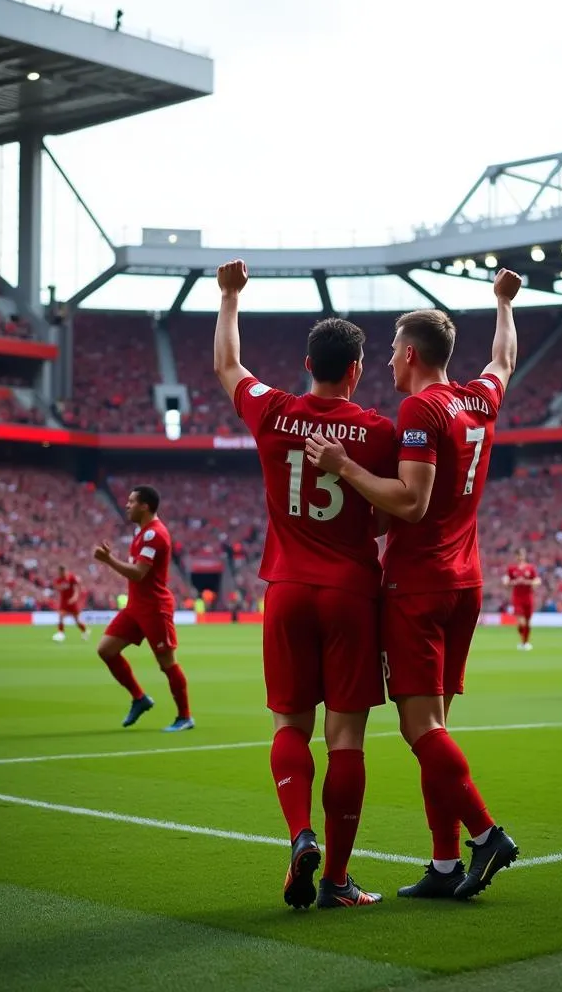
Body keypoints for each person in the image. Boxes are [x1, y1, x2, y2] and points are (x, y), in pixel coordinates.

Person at [306, 267, 524, 901]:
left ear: (408, 354)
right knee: (437, 728)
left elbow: (410, 501)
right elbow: (503, 359)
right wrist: (503, 304)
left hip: (420, 586)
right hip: (466, 582)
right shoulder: (477, 397)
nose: (389, 367)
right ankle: (446, 865)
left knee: (418, 729)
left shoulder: (420, 407)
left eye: (394, 354)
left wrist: (344, 466)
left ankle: (486, 837)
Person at [213, 258, 397, 910]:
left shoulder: (275, 411)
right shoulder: (377, 432)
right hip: (351, 592)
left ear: (305, 362)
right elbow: (402, 502)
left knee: (288, 725)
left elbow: (227, 367)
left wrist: (231, 297)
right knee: (346, 739)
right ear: (355, 370)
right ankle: (339, 882)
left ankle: (299, 835)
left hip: (285, 588)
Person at [93, 486, 193, 732]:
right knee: (106, 650)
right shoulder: (141, 532)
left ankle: (185, 717)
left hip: (154, 608)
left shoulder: (154, 535)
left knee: (166, 663)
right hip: (135, 607)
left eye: (131, 501)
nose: (126, 505)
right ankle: (139, 698)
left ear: (145, 506)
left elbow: (139, 574)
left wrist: (108, 560)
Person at [503, 547, 541, 650]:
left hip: (528, 598)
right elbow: (506, 581)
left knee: (528, 623)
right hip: (517, 598)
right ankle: (524, 642)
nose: (520, 557)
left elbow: (537, 580)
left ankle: (525, 643)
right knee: (521, 622)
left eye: (522, 554)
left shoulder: (530, 568)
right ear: (516, 556)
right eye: (518, 555)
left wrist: (527, 582)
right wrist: (513, 582)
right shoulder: (511, 569)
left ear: (524, 555)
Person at [53, 564, 90, 642]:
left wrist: (74, 598)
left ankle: (85, 631)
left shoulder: (71, 578)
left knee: (77, 620)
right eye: (60, 572)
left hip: (72, 602)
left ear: (65, 571)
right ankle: (61, 633)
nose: (61, 573)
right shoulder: (58, 580)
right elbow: (57, 587)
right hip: (64, 602)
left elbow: (76, 589)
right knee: (61, 616)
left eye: (62, 572)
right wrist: (60, 587)